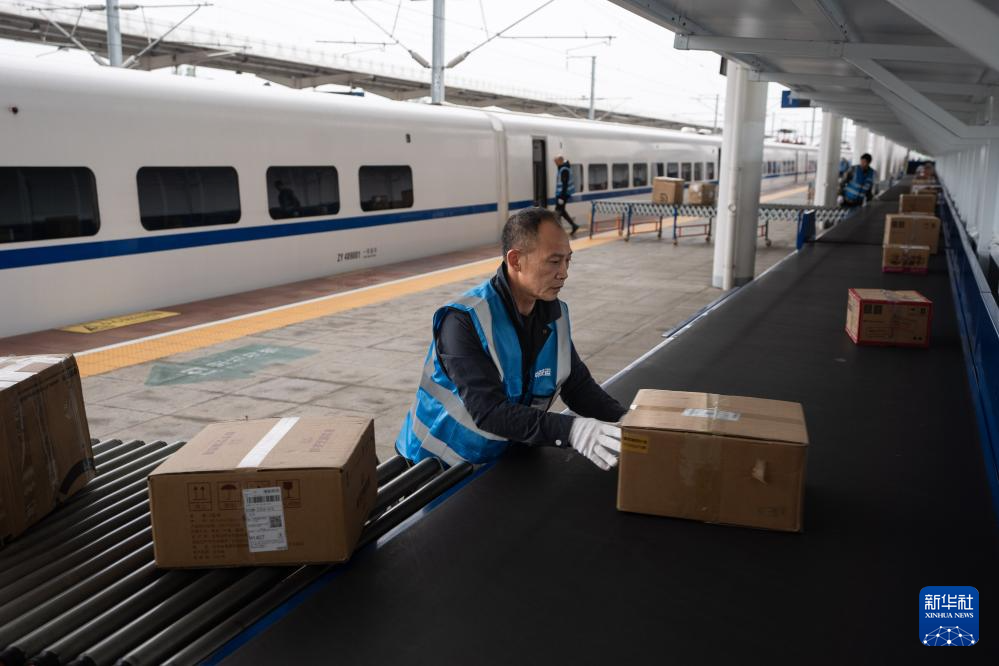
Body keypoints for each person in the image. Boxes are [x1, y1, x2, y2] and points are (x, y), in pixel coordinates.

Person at [395, 207, 626, 471]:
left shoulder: (555, 315)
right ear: (515, 260)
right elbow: (489, 411)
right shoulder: (464, 320)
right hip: (434, 468)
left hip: (498, 461)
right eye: (554, 262)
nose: (564, 273)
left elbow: (577, 386)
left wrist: (626, 418)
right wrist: (571, 430)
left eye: (567, 261)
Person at [553, 154, 580, 236]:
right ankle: (574, 226)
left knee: (558, 211)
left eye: (556, 161)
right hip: (561, 194)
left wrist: (562, 197)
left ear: (560, 161)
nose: (555, 163)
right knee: (562, 211)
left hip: (562, 195)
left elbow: (565, 184)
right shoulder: (562, 168)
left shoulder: (564, 170)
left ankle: (558, 231)